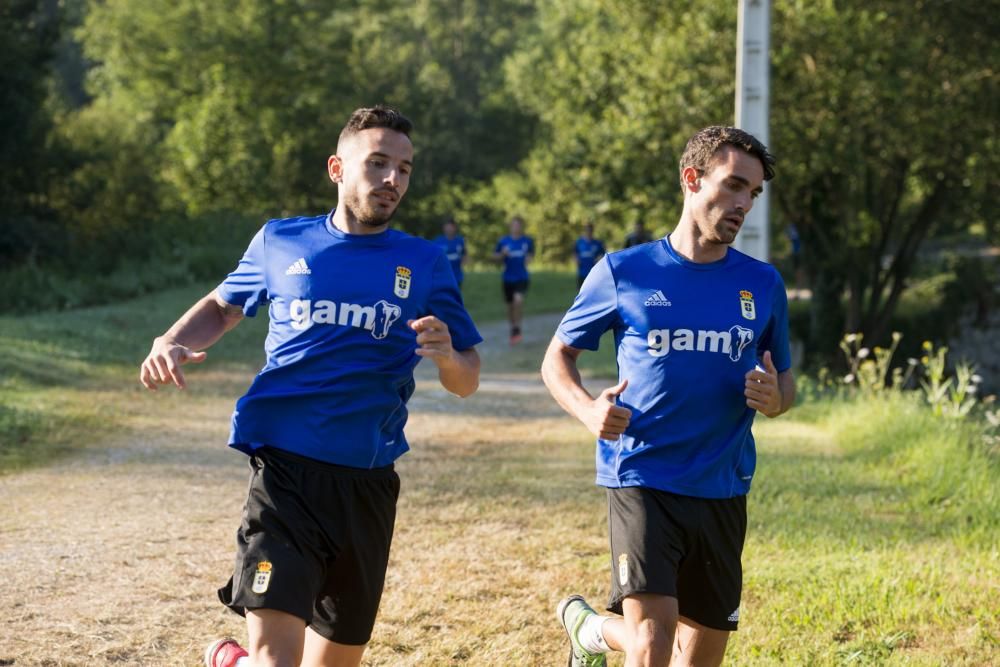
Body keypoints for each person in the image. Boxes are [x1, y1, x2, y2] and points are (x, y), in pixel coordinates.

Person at [139, 106, 482, 667]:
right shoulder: (281, 241)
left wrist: (447, 357)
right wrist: (172, 339)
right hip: (285, 478)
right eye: (377, 163)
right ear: (337, 168)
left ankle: (235, 663)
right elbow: (223, 308)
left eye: (404, 168)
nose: (392, 179)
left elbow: (466, 381)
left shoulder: (424, 263)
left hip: (367, 486)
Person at [541, 126, 795, 667]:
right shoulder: (623, 271)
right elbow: (556, 359)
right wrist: (589, 410)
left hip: (722, 485)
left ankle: (591, 631)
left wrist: (775, 398)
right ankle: (609, 633)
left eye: (753, 192)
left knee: (695, 657)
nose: (744, 203)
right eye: (733, 186)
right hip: (642, 474)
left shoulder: (763, 284)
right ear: (691, 179)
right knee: (654, 646)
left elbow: (786, 383)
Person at [493, 216, 535, 344]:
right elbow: (495, 257)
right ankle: (513, 328)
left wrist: (529, 258)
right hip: (507, 278)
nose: (516, 227)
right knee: (510, 306)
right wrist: (502, 254)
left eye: (518, 225)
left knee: (518, 300)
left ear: (521, 227)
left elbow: (531, 256)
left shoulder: (527, 241)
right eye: (514, 225)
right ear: (510, 226)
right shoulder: (503, 241)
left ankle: (517, 327)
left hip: (522, 277)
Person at [432, 216, 467, 288]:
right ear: (443, 228)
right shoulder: (438, 241)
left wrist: (464, 263)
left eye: (451, 227)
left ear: (455, 228)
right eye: (447, 227)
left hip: (457, 275)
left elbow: (464, 253)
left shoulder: (460, 240)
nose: (449, 229)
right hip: (442, 275)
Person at [574, 223, 606, 288]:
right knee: (580, 293)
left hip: (593, 273)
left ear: (592, 231)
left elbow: (603, 254)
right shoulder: (579, 242)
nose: (588, 232)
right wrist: (576, 260)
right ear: (585, 231)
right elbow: (575, 252)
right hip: (582, 272)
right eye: (587, 230)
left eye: (590, 230)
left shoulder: (597, 243)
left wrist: (598, 259)